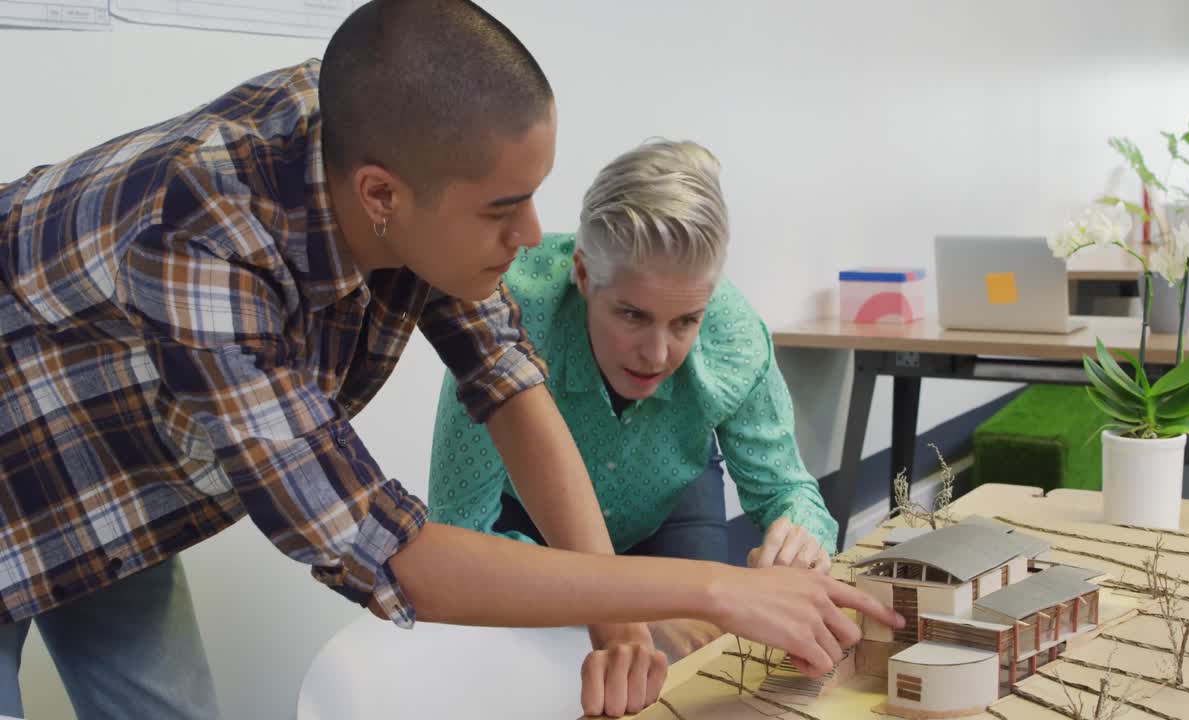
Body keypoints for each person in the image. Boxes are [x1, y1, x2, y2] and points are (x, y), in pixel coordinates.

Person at [0, 2, 901, 718]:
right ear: (382, 196)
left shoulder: (390, 141)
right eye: (504, 208)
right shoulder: (203, 241)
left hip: (109, 471)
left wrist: (618, 623)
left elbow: (510, 388)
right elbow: (393, 556)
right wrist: (713, 587)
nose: (535, 237)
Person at [430, 139, 840, 663]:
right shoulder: (508, 314)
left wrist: (799, 539)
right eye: (632, 315)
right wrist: (630, 606)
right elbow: (460, 534)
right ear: (583, 275)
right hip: (523, 525)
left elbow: (789, 492)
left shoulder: (735, 340)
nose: (657, 354)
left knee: (699, 663)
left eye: (686, 321)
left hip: (670, 504)